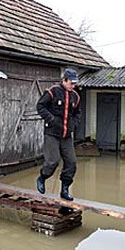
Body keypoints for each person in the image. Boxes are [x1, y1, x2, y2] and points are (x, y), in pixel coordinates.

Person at [36, 68, 81, 201]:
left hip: (67, 135)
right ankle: (42, 177)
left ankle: (65, 189)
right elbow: (40, 106)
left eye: (75, 84)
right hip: (52, 133)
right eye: (71, 83)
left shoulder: (75, 96)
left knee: (71, 162)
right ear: (64, 80)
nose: (73, 86)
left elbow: (78, 113)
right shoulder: (52, 92)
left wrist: (74, 124)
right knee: (53, 161)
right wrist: (51, 119)